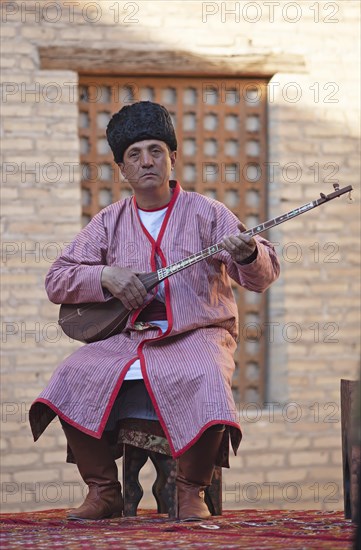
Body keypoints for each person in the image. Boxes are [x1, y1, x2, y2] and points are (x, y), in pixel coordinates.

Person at [29, 101, 280, 521]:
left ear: (172, 158)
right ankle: (103, 490)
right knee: (69, 376)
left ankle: (189, 490)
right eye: (134, 154)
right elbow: (57, 279)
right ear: (123, 169)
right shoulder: (108, 221)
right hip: (130, 338)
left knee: (206, 374)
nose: (147, 161)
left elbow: (261, 277)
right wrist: (105, 276)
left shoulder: (209, 212)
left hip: (199, 332)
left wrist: (250, 251)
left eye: (156, 150)